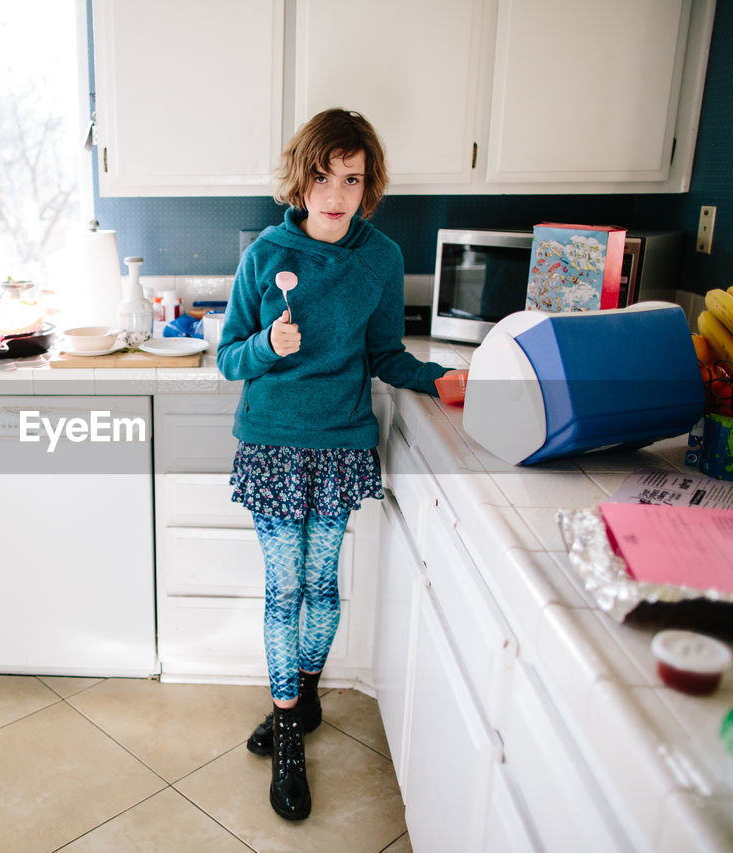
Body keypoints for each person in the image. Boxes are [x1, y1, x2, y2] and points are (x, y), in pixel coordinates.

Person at [216, 108, 458, 821]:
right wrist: (267, 346)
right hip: (274, 444)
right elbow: (231, 355)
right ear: (302, 176)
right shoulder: (265, 253)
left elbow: (386, 356)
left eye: (351, 178)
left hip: (342, 443)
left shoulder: (380, 258)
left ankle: (304, 694)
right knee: (283, 586)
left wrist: (436, 375)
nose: (336, 191)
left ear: (368, 183)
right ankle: (290, 730)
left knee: (322, 582)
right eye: (324, 174)